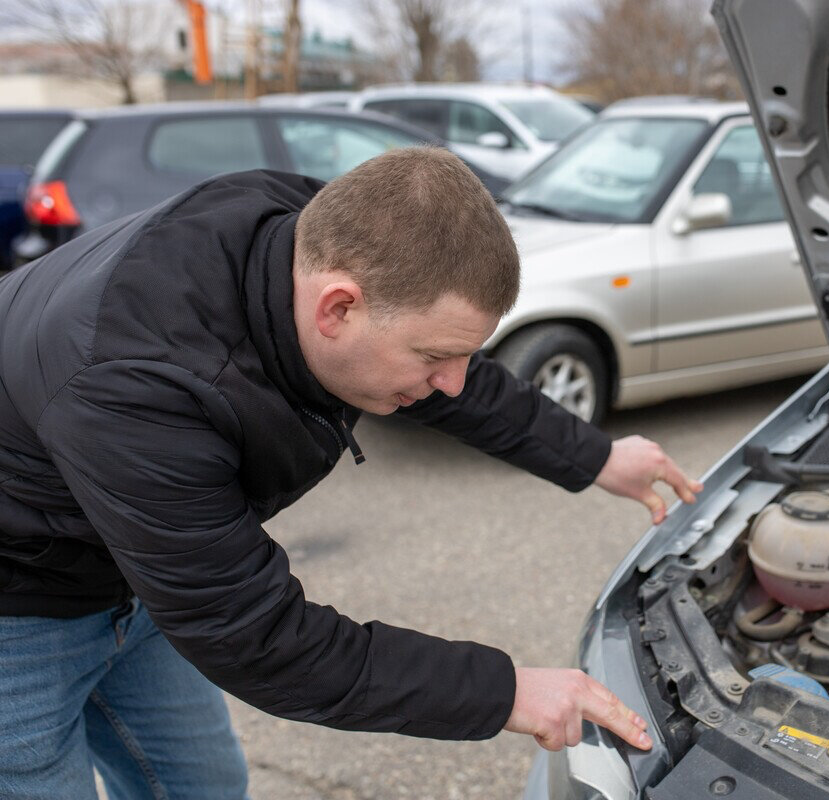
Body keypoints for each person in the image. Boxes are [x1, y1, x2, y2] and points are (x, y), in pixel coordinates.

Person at [0, 147, 703, 799]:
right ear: (337, 307)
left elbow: (453, 370)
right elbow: (260, 639)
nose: (452, 384)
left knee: (204, 785)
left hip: (139, 566)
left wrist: (599, 455)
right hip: (16, 602)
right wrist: (508, 692)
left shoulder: (316, 227)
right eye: (433, 359)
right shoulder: (137, 388)